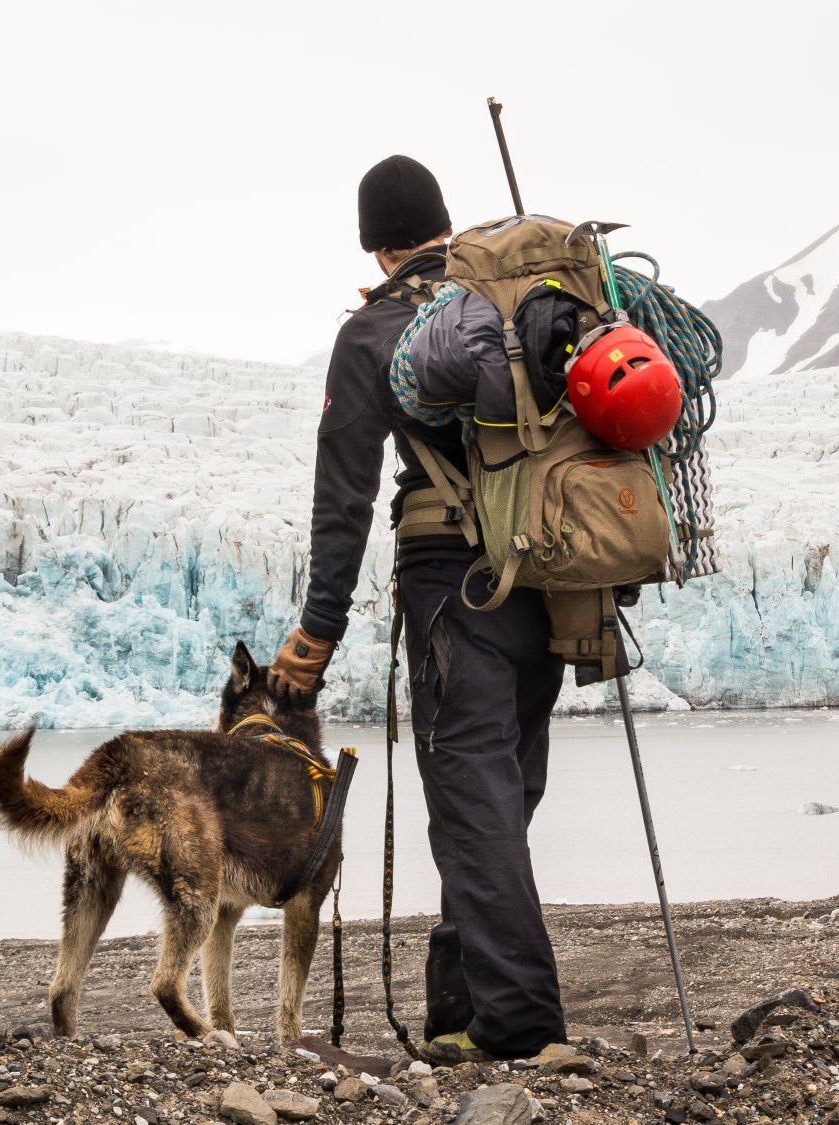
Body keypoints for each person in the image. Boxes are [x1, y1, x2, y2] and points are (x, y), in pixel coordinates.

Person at [267, 155, 567, 1062]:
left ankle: (521, 1027)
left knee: (473, 798)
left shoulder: (378, 330)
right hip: (550, 584)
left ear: (376, 242)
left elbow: (343, 495)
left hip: (457, 592)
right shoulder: (509, 304)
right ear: (442, 223)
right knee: (500, 792)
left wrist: (317, 631)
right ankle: (458, 1008)